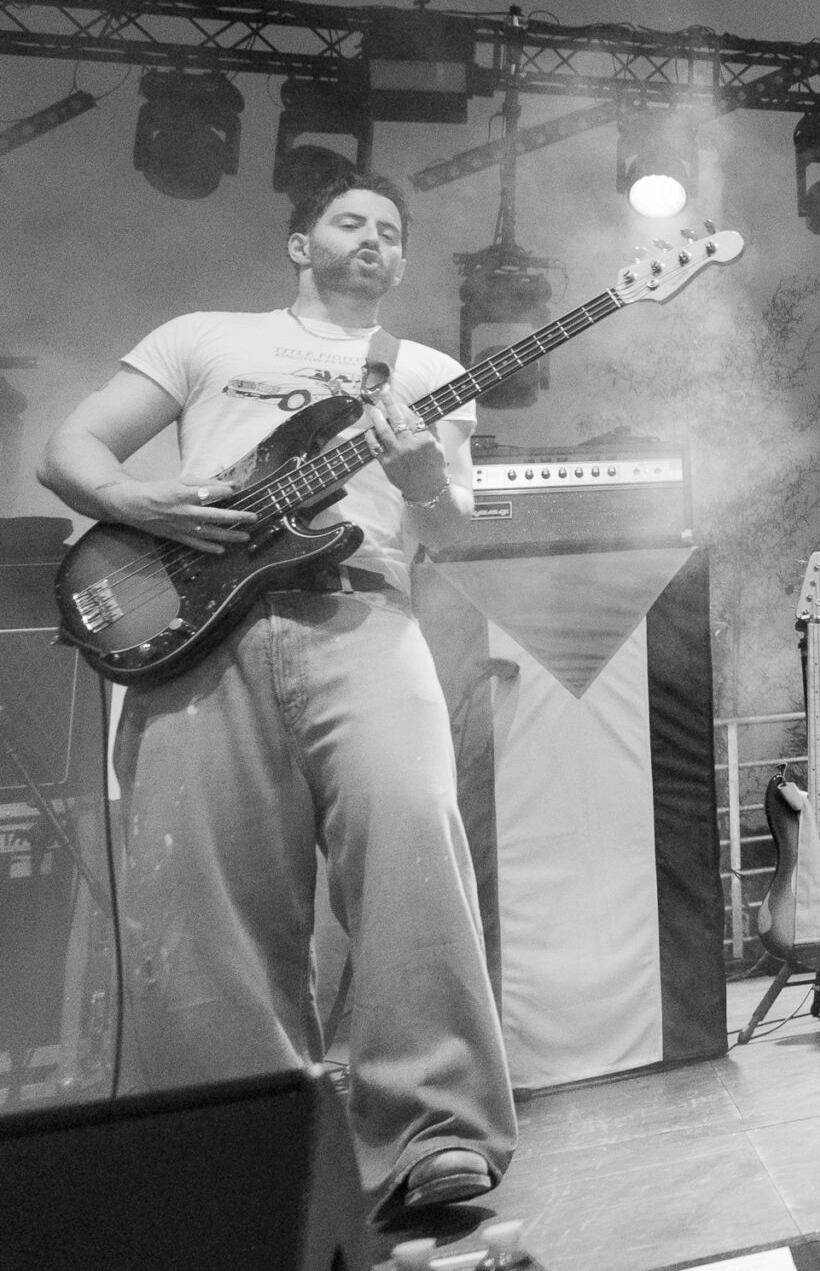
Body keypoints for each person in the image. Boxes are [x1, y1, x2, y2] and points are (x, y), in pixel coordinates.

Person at [39, 173, 515, 1217]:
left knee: (413, 838)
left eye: (390, 230)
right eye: (350, 220)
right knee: (203, 896)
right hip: (197, 624)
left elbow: (456, 532)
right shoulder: (204, 338)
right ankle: (245, 1152)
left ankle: (434, 1133)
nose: (373, 238)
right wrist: (139, 501)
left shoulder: (428, 372)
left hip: (363, 614)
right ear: (301, 244)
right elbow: (68, 451)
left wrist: (423, 479)